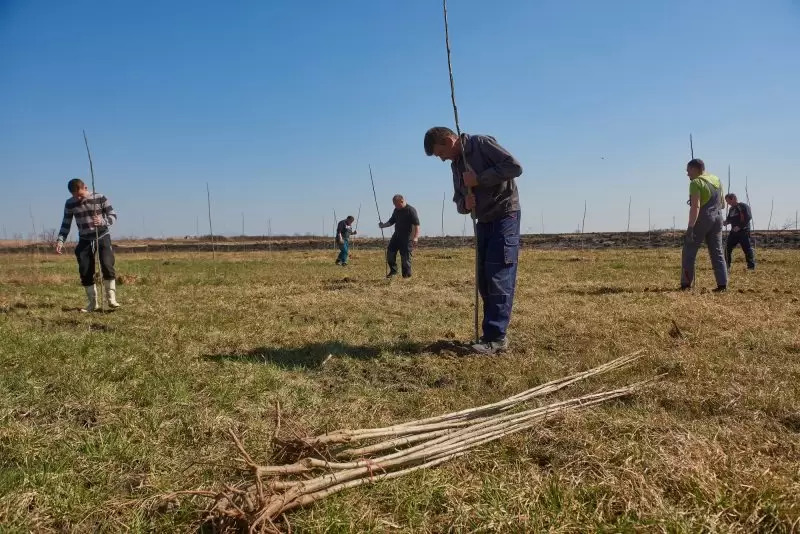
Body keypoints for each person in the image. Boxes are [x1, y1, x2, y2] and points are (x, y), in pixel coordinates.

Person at [424, 126, 523, 355]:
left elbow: (515, 167)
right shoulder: (455, 165)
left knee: (498, 275)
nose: (442, 159)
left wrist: (479, 179)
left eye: (440, 153)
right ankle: (489, 335)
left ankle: (497, 339)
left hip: (504, 214)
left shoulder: (481, 144)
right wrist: (464, 204)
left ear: (449, 141)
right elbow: (459, 198)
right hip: (484, 220)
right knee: (484, 279)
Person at [55, 178, 120, 311]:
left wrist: (102, 221)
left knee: (107, 265)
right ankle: (93, 303)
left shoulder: (100, 197)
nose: (78, 198)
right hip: (84, 239)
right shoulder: (70, 203)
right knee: (85, 270)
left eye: (80, 194)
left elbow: (113, 215)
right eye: (75, 196)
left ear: (85, 187)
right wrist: (61, 240)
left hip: (102, 236)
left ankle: (111, 299)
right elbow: (66, 223)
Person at [680, 159, 728, 291]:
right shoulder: (716, 179)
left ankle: (686, 284)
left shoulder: (696, 183)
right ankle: (722, 285)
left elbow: (696, 207)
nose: (687, 174)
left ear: (695, 169)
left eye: (688, 170)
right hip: (718, 218)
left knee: (689, 250)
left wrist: (690, 227)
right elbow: (723, 204)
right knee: (717, 251)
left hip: (703, 218)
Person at [378, 195, 420, 279]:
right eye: (394, 205)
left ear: (402, 201)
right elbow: (391, 221)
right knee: (390, 253)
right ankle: (393, 272)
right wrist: (383, 225)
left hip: (407, 237)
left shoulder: (411, 210)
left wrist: (416, 237)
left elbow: (417, 225)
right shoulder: (396, 210)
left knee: (405, 257)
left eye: (396, 204)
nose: (395, 206)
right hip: (396, 236)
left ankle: (406, 276)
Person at [723, 193, 756, 272]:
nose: (728, 203)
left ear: (734, 198)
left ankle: (751, 267)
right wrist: (725, 222)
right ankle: (726, 266)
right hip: (733, 233)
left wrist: (740, 226)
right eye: (727, 202)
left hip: (743, 232)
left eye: (728, 201)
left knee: (747, 249)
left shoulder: (743, 206)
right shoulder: (731, 209)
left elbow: (748, 217)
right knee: (727, 248)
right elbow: (729, 219)